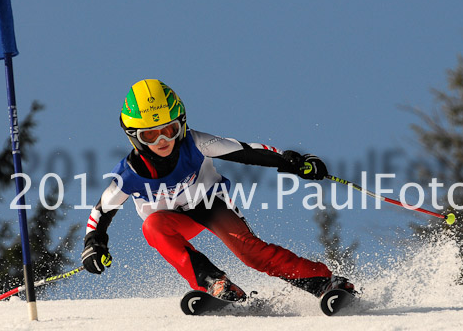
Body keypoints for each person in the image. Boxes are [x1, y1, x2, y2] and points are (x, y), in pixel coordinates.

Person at [81, 79, 355, 301]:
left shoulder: (195, 143)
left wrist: (292, 161)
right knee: (152, 227)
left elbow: (246, 152)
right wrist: (94, 244)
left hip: (211, 204)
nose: (163, 139)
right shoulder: (129, 174)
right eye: (150, 135)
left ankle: (324, 282)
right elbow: (101, 212)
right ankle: (214, 283)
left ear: (182, 124)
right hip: (171, 220)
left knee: (250, 252)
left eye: (170, 129)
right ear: (135, 137)